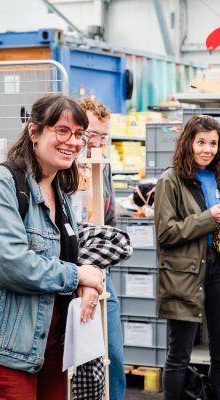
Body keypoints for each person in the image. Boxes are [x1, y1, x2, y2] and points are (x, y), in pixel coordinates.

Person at [0, 94, 105, 399]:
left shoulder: (60, 191)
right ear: (34, 132)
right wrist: (77, 276)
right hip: (5, 346)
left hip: (52, 346)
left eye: (79, 134)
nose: (73, 141)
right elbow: (9, 264)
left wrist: (88, 284)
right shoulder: (2, 184)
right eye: (62, 130)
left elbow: (68, 255)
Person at [154, 115, 220, 400]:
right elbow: (166, 234)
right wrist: (208, 218)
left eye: (213, 143)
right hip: (184, 273)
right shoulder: (170, 180)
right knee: (178, 354)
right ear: (188, 143)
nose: (207, 149)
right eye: (201, 142)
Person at [77, 96, 126, 400]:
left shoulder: (102, 165)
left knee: (113, 353)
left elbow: (109, 220)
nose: (95, 142)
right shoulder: (60, 167)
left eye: (102, 136)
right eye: (90, 134)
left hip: (100, 272)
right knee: (78, 360)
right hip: (70, 273)